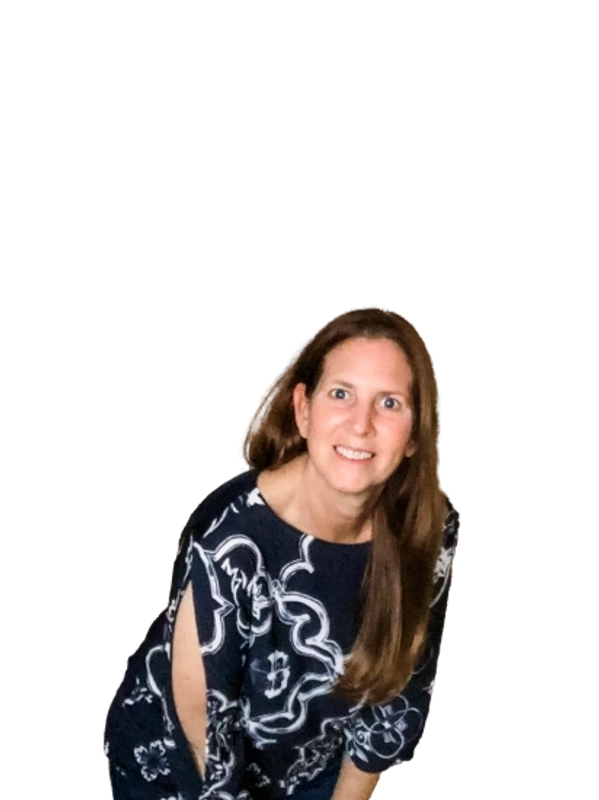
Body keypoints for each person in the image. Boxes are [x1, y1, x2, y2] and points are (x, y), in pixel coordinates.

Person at [101, 301, 461, 799]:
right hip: (181, 769)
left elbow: (397, 694)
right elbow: (206, 736)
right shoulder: (230, 539)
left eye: (390, 403)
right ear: (304, 410)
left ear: (415, 436)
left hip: (312, 769)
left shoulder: (432, 526)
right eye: (341, 394)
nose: (361, 425)